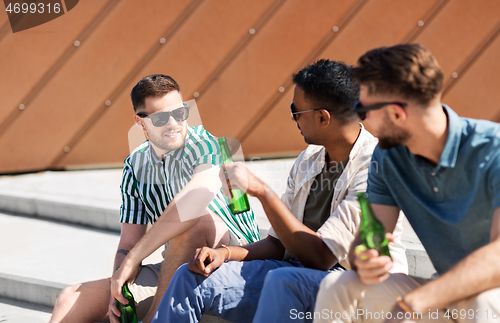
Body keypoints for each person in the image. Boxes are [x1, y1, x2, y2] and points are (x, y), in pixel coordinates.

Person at [152, 60, 408, 323]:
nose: (294, 119)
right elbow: (278, 244)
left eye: (297, 111)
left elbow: (321, 257)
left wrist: (263, 192)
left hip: (356, 286)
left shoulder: (377, 169)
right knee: (189, 276)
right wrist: (224, 254)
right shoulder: (309, 160)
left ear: (323, 117)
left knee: (282, 281)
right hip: (291, 271)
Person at [49, 74, 260, 323]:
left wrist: (134, 259)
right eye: (160, 118)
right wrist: (120, 281)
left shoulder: (207, 145)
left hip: (238, 262)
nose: (174, 123)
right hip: (179, 266)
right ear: (140, 122)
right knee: (70, 298)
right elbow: (128, 243)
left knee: (198, 221)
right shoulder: (135, 164)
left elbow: (193, 202)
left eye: (180, 113)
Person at [313, 44, 500, 323]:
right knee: (338, 287)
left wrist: (417, 302)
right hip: (444, 298)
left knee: (481, 302)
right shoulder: (388, 157)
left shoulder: (492, 149)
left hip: (489, 299)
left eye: (362, 109)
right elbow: (371, 236)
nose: (360, 118)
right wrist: (364, 257)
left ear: (398, 113)